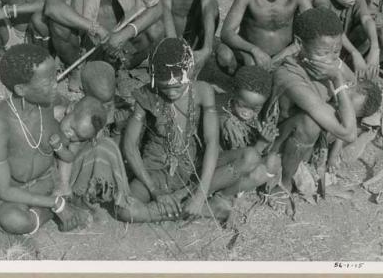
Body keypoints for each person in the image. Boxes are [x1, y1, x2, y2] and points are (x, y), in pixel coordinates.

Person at [116, 38, 273, 223]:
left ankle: (189, 199)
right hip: (155, 170)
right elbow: (130, 146)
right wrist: (154, 191)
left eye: (177, 87)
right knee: (124, 210)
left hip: (193, 168)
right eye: (164, 87)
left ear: (189, 73)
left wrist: (199, 194)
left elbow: (211, 142)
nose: (172, 93)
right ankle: (206, 210)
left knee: (251, 157)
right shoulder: (146, 95)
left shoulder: (202, 91)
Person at [0, 45, 81, 250]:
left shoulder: (46, 102)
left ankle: (52, 203)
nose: (56, 85)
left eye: (56, 77)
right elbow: (4, 190)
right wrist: (57, 204)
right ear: (21, 89)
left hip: (50, 179)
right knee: (13, 220)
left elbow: (68, 137)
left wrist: (63, 178)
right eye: (48, 82)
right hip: (17, 192)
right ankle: (51, 209)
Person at [269, 8, 357, 195]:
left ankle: (313, 159)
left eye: (337, 51)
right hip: (280, 144)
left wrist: (339, 72)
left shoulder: (324, 61)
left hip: (314, 140)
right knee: (310, 124)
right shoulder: (289, 75)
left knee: (357, 98)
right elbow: (349, 134)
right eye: (324, 52)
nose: (331, 59)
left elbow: (354, 83)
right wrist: (338, 80)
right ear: (300, 44)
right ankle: (284, 183)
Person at [312, 0, 380, 79]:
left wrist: (375, 48)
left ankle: (361, 72)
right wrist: (355, 53)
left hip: (344, 48)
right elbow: (332, 28)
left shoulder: (358, 0)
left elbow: (367, 20)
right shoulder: (321, 0)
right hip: (326, 51)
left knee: (366, 33)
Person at [220, 66, 282, 193]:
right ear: (233, 93)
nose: (246, 113)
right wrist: (262, 143)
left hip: (245, 163)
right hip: (225, 170)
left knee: (274, 160)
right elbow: (242, 161)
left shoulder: (255, 117)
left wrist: (269, 137)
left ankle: (251, 187)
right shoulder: (228, 123)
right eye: (243, 106)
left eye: (254, 109)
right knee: (261, 166)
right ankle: (225, 194)